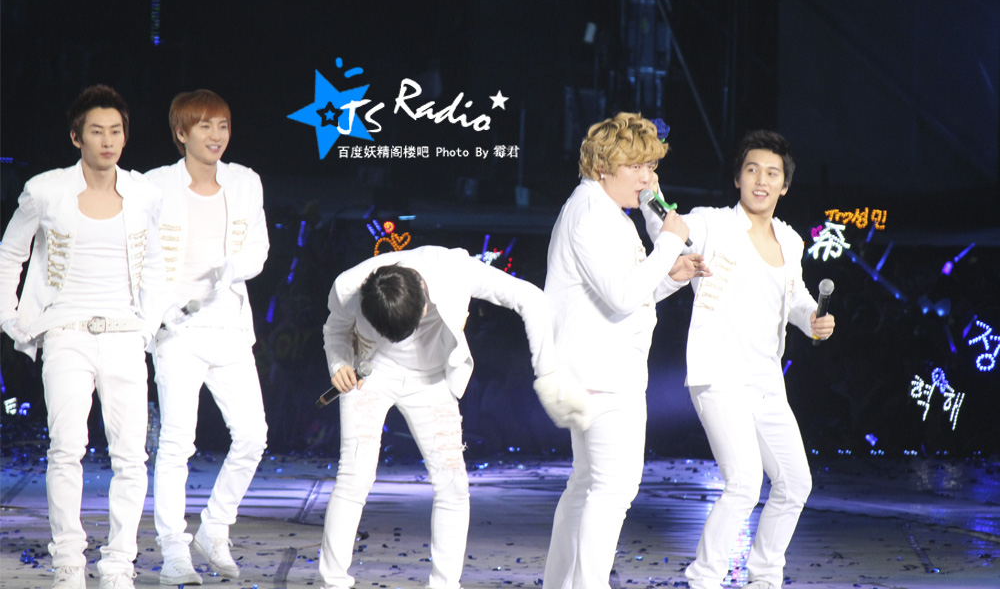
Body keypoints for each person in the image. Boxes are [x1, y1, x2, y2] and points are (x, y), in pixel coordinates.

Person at [319, 245, 584, 589]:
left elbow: (530, 298)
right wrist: (339, 363)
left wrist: (547, 373)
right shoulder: (347, 286)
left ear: (424, 302)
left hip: (431, 382)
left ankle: (445, 584)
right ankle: (333, 582)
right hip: (369, 376)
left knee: (453, 486)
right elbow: (335, 330)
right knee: (354, 477)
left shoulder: (455, 270)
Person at [644, 130, 835, 589]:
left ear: (784, 185)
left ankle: (764, 578)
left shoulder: (791, 241)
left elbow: (795, 296)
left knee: (795, 483)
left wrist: (812, 317)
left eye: (772, 173)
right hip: (718, 376)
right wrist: (649, 186)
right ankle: (704, 580)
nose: (761, 180)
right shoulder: (713, 224)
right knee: (745, 482)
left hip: (766, 381)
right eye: (752, 170)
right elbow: (668, 226)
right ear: (737, 178)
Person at [0, 85, 168, 589]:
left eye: (115, 131)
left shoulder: (143, 193)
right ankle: (69, 562)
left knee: (131, 455)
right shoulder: (46, 191)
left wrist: (147, 326)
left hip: (123, 334)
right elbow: (10, 254)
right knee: (66, 449)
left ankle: (118, 563)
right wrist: (11, 320)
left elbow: (157, 264)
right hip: (66, 332)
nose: (108, 140)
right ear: (77, 137)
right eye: (97, 131)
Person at [543, 112, 706, 589]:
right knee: (612, 487)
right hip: (601, 373)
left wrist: (670, 276)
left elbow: (624, 293)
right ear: (603, 167)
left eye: (651, 167)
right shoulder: (592, 214)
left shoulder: (603, 211)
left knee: (586, 485)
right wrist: (669, 243)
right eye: (636, 167)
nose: (647, 178)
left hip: (594, 368)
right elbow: (620, 295)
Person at [144, 89, 270, 585]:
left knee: (253, 435)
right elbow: (137, 253)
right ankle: (174, 549)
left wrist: (230, 269)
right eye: (205, 126)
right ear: (182, 133)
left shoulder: (244, 182)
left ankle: (214, 528)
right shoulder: (154, 185)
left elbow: (259, 248)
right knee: (177, 442)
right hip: (178, 329)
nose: (217, 135)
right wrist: (158, 312)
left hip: (230, 324)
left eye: (223, 126)